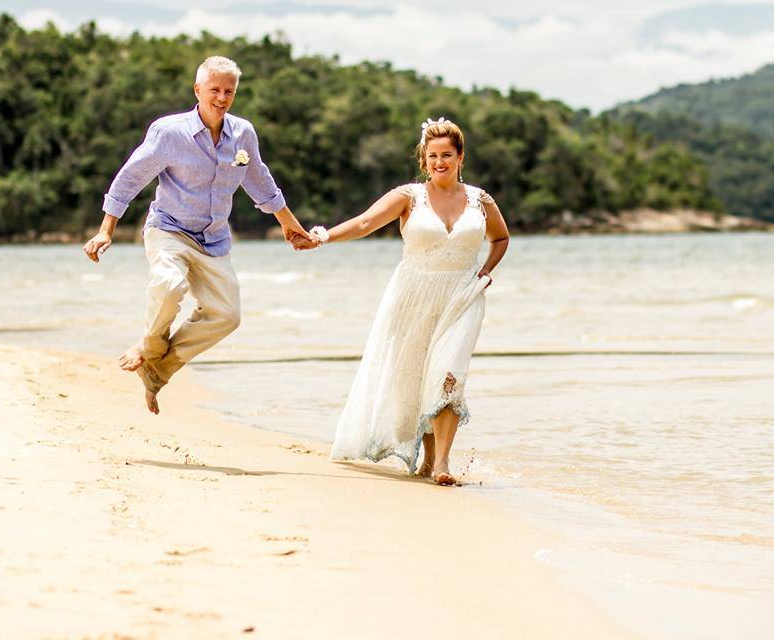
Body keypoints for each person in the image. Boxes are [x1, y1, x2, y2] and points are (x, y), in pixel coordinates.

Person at [82, 55, 313, 415]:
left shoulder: (243, 133)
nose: (222, 98)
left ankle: (158, 369)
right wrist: (105, 230)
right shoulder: (169, 132)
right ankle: (148, 347)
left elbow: (260, 181)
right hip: (169, 229)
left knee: (227, 315)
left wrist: (288, 223)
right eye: (215, 90)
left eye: (229, 91)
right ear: (198, 90)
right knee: (169, 284)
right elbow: (130, 177)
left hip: (214, 239)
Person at [299, 117, 509, 485]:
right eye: (432, 156)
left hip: (462, 296)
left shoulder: (480, 199)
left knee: (449, 373)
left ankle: (443, 462)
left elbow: (501, 238)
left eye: (447, 154)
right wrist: (322, 237)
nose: (440, 162)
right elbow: (365, 223)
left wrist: (485, 272)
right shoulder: (408, 196)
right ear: (423, 160)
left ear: (461, 157)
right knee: (414, 379)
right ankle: (427, 459)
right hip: (412, 296)